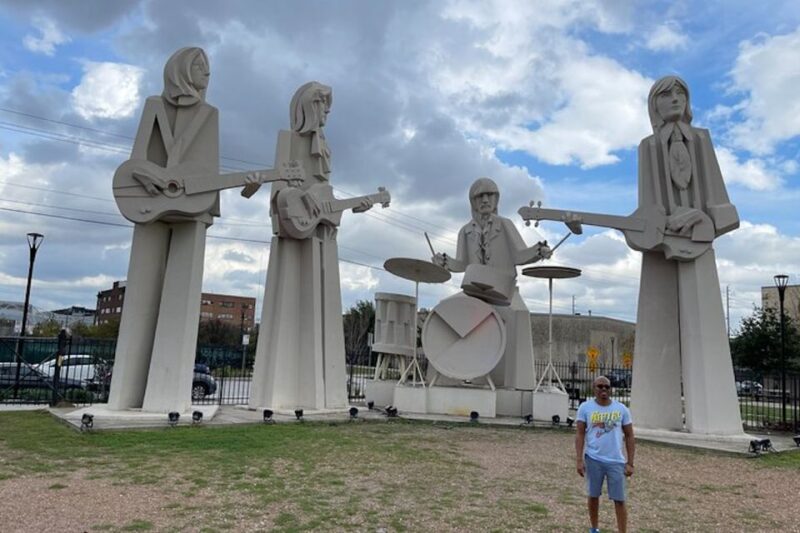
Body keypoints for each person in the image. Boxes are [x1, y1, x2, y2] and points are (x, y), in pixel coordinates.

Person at [248, 82, 376, 410]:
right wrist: (289, 201)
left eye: (329, 107)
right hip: (294, 238)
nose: (327, 113)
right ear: (307, 107)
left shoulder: (325, 146)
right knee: (290, 304)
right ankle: (282, 397)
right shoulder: (288, 140)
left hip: (322, 237)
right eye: (322, 105)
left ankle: (327, 398)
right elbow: (279, 190)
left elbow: (325, 194)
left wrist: (349, 207)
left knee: (325, 304)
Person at [108, 47, 220, 413]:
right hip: (147, 203)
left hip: (192, 207)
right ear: (183, 70)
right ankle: (124, 397)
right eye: (201, 68)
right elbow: (137, 160)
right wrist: (150, 176)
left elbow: (209, 169)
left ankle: (167, 399)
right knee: (140, 291)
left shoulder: (209, 114)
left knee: (181, 301)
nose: (207, 75)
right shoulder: (154, 106)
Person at [630, 75, 742, 434]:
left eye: (681, 92)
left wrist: (705, 217)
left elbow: (722, 201)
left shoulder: (701, 140)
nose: (675, 98)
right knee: (655, 318)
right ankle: (650, 418)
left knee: (705, 329)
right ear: (655, 105)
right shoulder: (648, 147)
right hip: (663, 239)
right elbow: (647, 206)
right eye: (666, 94)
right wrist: (656, 223)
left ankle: (716, 425)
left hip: (700, 238)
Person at [432, 177, 550, 389]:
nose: (485, 200)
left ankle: (517, 384)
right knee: (444, 313)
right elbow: (461, 263)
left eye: (490, 195)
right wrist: (445, 262)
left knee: (518, 315)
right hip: (474, 292)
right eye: (479, 196)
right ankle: (446, 377)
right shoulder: (465, 231)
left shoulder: (505, 225)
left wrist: (538, 250)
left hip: (504, 292)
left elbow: (520, 254)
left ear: (496, 199)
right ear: (472, 201)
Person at [576, 376, 635, 533]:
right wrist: (579, 460)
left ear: (610, 389)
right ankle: (594, 528)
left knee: (620, 499)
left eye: (606, 387)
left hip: (616, 460)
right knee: (593, 495)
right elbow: (580, 434)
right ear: (594, 388)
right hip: (593, 458)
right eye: (600, 387)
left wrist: (630, 462)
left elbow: (629, 435)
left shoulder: (621, 409)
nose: (603, 390)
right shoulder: (585, 408)